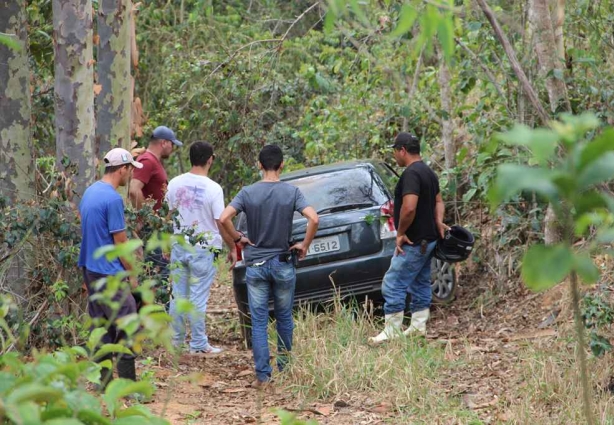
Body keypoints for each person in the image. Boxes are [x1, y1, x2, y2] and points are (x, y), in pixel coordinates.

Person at [219, 145, 319, 388]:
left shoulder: (247, 193)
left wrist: (237, 238)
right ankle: (285, 370)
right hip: (283, 263)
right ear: (282, 165)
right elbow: (314, 218)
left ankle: (263, 377)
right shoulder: (291, 192)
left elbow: (223, 218)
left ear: (259, 165)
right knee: (284, 317)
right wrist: (304, 245)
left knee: (260, 321)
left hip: (256, 265)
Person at [369, 132, 448, 344]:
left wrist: (401, 232)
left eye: (395, 151)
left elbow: (409, 207)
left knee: (393, 282)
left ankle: (392, 330)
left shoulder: (411, 174)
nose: (395, 155)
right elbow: (439, 201)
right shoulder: (428, 172)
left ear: (402, 150)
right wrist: (438, 221)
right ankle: (418, 326)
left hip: (414, 240)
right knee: (420, 281)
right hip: (428, 239)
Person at [78, 148, 143, 388]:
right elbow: (120, 243)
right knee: (128, 323)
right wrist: (133, 275)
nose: (129, 177)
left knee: (101, 325)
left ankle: (102, 382)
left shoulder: (90, 192)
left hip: (91, 269)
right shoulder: (113, 198)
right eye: (130, 170)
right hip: (110, 272)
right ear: (123, 168)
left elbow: (85, 229)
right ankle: (127, 386)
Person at [165, 141, 237, 355]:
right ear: (210, 159)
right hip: (204, 248)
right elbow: (221, 221)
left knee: (177, 296)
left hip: (178, 243)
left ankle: (176, 342)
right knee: (197, 297)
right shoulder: (214, 188)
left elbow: (168, 216)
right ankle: (197, 343)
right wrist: (232, 246)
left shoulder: (174, 183)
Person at [129, 125, 182, 300]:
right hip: (151, 230)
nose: (173, 148)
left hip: (157, 229)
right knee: (158, 274)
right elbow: (134, 190)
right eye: (172, 144)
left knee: (158, 273)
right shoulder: (147, 161)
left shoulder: (152, 162)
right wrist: (148, 218)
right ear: (164, 143)